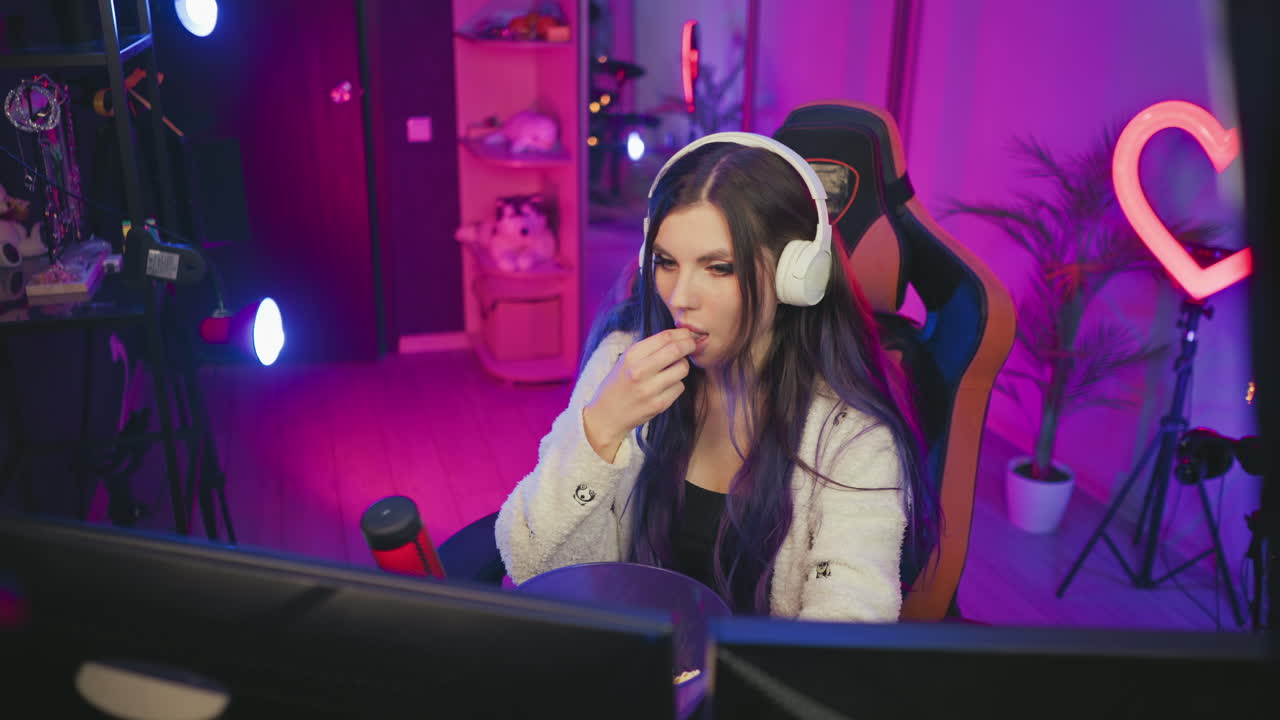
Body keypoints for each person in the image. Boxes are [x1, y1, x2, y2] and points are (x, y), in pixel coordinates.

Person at [495, 132, 939, 621]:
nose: (680, 296)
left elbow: (848, 626)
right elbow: (531, 563)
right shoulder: (623, 359)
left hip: (756, 689)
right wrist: (600, 429)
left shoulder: (849, 434)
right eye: (665, 262)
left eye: (719, 268)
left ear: (798, 276)